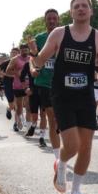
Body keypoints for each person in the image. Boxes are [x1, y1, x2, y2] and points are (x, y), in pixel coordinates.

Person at [31, 0, 98, 194]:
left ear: (91, 11)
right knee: (73, 145)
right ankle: (61, 162)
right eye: (77, 6)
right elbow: (40, 59)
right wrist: (34, 58)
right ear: (71, 12)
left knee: (86, 147)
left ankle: (76, 191)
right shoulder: (59, 33)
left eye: (85, 6)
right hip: (62, 95)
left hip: (85, 95)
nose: (81, 9)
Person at [30, 9, 62, 154]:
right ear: (45, 20)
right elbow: (33, 57)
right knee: (51, 117)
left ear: (58, 20)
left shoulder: (65, 36)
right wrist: (32, 69)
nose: (52, 21)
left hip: (62, 83)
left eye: (54, 18)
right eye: (49, 18)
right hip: (44, 82)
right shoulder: (39, 38)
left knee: (61, 117)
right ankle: (58, 156)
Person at [6, 44, 31, 133]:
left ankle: (28, 128)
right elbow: (8, 70)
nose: (25, 52)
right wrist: (17, 72)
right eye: (23, 50)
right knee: (19, 107)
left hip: (28, 86)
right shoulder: (15, 59)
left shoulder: (31, 58)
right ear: (20, 51)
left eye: (26, 50)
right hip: (18, 86)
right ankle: (19, 120)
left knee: (28, 107)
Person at [0, 48, 18, 123]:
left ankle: (16, 123)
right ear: (10, 54)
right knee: (12, 105)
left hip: (18, 85)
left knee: (17, 105)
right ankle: (9, 109)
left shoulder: (20, 62)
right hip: (8, 85)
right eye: (12, 52)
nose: (14, 54)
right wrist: (7, 74)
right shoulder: (6, 62)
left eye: (16, 53)